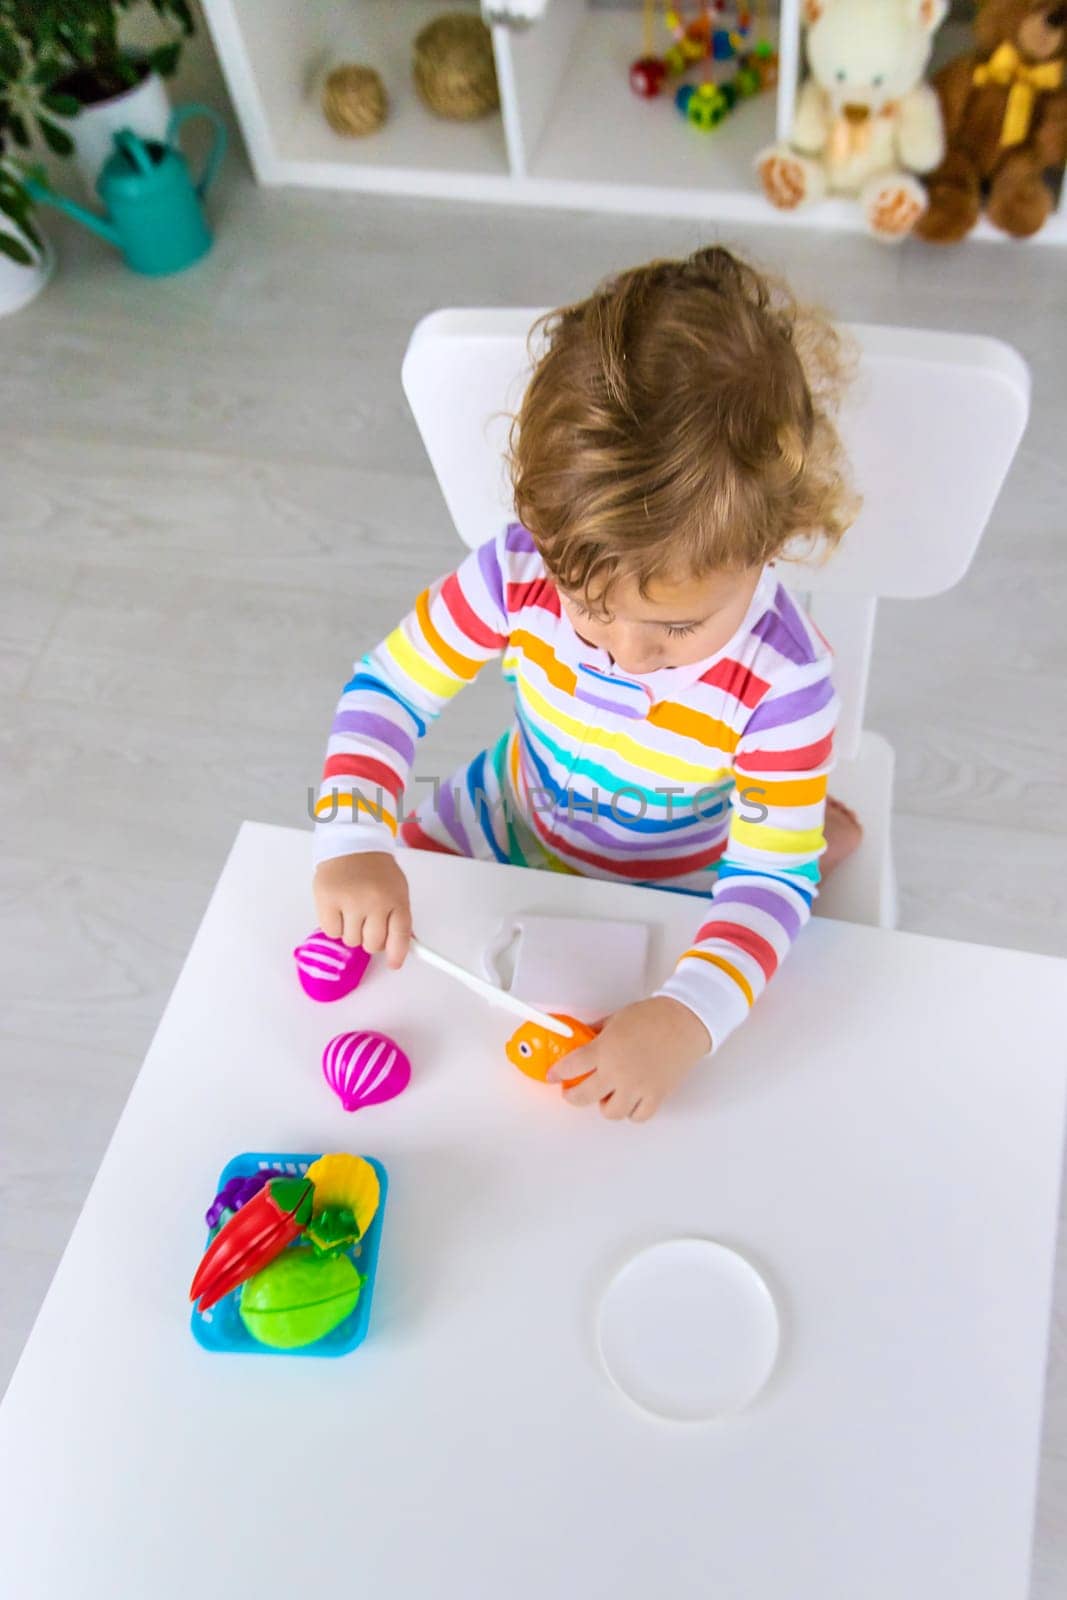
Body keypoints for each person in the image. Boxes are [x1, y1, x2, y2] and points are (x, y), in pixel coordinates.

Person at [312, 246, 861, 1121]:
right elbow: (389, 690)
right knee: (397, 988)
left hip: (673, 882)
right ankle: (802, 822)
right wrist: (353, 841)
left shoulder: (786, 683)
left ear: (769, 543)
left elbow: (763, 887)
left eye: (676, 628)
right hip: (502, 822)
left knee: (606, 1072)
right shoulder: (518, 569)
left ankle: (804, 822)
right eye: (588, 609)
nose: (628, 657)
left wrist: (688, 1017)